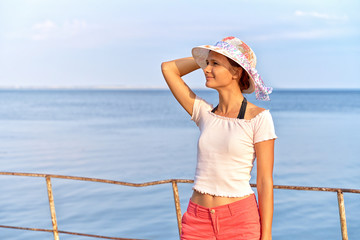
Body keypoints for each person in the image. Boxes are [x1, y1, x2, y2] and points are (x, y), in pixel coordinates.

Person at [161, 36, 277, 240]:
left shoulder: (259, 118)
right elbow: (168, 68)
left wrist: (266, 235)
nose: (206, 69)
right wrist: (206, 57)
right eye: (207, 63)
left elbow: (264, 181)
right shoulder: (204, 113)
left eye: (215, 64)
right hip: (197, 220)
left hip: (240, 220)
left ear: (236, 71)